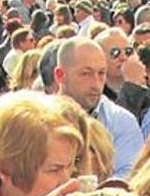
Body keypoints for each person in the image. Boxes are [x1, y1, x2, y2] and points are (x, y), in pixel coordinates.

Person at [55, 37, 144, 177]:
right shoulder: (39, 121)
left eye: (101, 73)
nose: (96, 84)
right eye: (85, 74)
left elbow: (128, 181)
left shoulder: (122, 121)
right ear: (60, 76)